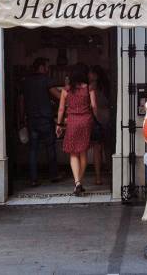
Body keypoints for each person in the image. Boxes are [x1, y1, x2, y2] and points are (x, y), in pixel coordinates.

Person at [57, 63, 98, 196]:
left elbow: (61, 109)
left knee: (73, 153)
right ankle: (79, 182)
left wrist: (58, 124)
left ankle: (77, 183)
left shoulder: (66, 90)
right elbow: (94, 105)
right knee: (83, 152)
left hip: (72, 121)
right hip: (86, 121)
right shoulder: (89, 88)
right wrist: (95, 118)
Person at [20, 57, 61, 187]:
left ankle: (33, 179)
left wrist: (22, 118)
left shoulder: (26, 81)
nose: (48, 69)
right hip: (45, 119)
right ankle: (53, 175)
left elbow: (21, 101)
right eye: (47, 67)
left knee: (33, 150)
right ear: (42, 67)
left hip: (32, 120)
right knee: (50, 147)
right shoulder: (46, 80)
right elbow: (58, 96)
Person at [88, 65, 111, 186]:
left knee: (97, 148)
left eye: (90, 73)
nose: (88, 75)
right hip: (108, 117)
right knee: (108, 145)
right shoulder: (107, 86)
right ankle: (110, 168)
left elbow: (93, 106)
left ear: (95, 75)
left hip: (97, 118)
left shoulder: (92, 87)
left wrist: (97, 118)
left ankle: (98, 177)